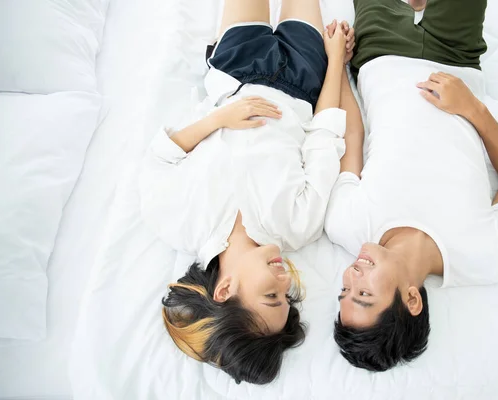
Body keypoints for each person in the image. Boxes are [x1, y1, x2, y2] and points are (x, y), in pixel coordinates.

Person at [138, 0, 355, 385]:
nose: (285, 284)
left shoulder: (176, 221)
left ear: (224, 290)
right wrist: (336, 60)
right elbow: (323, 136)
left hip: (234, 71)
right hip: (304, 79)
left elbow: (161, 155)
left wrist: (218, 119)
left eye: (271, 297)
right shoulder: (298, 227)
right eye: (286, 299)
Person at [325, 0, 498, 371]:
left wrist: (339, 66)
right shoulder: (487, 254)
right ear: (412, 300)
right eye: (363, 293)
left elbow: (353, 133)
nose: (350, 275)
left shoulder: (346, 224)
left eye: (344, 289)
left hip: (378, 54)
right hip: (453, 60)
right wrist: (473, 109)